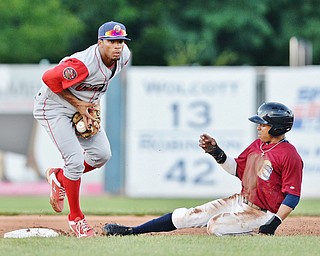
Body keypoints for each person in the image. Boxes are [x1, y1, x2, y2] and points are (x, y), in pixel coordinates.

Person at [102, 102, 303, 236]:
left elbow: (292, 197)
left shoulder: (289, 155)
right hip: (241, 200)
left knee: (215, 226)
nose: (258, 127)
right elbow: (236, 169)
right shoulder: (257, 145)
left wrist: (273, 223)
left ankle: (256, 234)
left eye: (263, 124)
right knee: (188, 215)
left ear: (277, 128)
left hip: (263, 213)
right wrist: (216, 151)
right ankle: (131, 231)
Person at [33, 21, 131, 238]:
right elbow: (48, 78)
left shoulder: (123, 57)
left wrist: (91, 105)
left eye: (121, 41)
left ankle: (59, 177)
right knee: (75, 161)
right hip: (54, 107)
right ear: (100, 42)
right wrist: (78, 104)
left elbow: (97, 86)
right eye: (112, 41)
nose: (118, 46)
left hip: (82, 110)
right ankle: (76, 219)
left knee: (102, 155)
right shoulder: (83, 64)